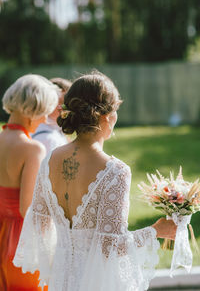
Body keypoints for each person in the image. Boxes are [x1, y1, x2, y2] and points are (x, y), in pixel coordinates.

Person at [13, 71, 176, 291]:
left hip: (60, 280)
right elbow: (111, 246)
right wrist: (156, 230)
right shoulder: (116, 171)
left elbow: (40, 224)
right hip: (96, 283)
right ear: (105, 116)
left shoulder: (49, 159)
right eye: (115, 110)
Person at [0, 74, 59, 291]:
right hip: (20, 242)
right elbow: (27, 208)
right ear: (31, 110)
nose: (44, 120)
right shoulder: (33, 149)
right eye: (44, 113)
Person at [31, 78, 72, 153]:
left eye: (68, 103)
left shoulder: (57, 131)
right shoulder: (47, 138)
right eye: (61, 101)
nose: (63, 107)